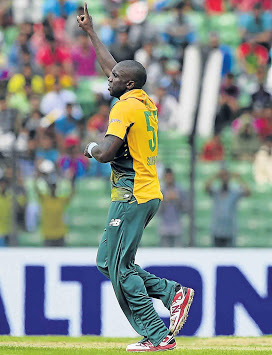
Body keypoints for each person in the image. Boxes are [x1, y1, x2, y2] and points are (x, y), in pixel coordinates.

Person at [77, 3, 194, 352]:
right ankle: (173, 293)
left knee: (120, 268)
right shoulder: (143, 100)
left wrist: (90, 148)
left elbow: (108, 152)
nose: (107, 79)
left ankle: (158, 336)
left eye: (112, 79)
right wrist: (91, 32)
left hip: (132, 195)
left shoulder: (123, 106)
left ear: (126, 84)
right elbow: (117, 69)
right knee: (107, 262)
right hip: (145, 192)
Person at [205, 167, 251, 247]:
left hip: (230, 230)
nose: (224, 178)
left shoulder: (234, 191)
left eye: (226, 176)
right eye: (223, 176)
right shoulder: (216, 190)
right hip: (216, 230)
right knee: (216, 256)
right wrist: (215, 176)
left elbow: (248, 192)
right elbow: (206, 187)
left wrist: (239, 179)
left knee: (230, 256)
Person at [159, 168, 186, 247]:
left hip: (177, 226)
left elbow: (186, 208)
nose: (169, 178)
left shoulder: (179, 190)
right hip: (164, 227)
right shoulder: (160, 190)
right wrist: (165, 200)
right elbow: (157, 211)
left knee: (178, 254)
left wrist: (178, 199)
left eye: (170, 176)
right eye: (167, 176)